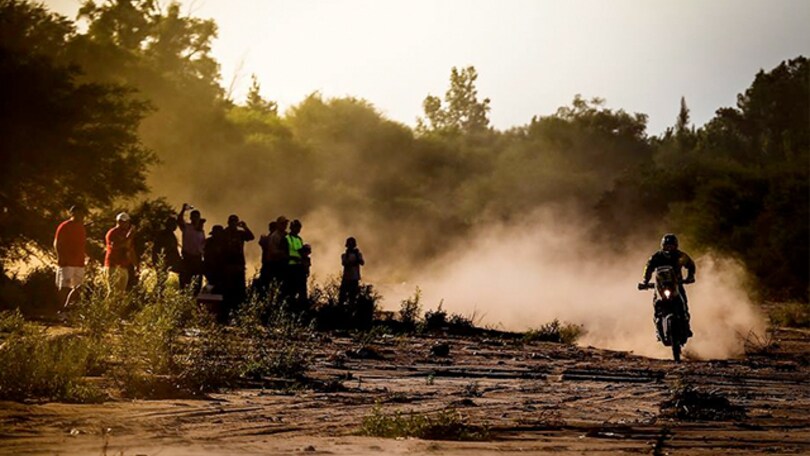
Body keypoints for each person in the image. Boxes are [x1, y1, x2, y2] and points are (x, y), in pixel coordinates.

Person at [641, 233, 696, 337]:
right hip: (660, 286)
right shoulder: (656, 257)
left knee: (684, 306)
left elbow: (691, 265)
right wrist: (645, 282)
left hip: (676, 285)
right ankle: (658, 329)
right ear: (663, 246)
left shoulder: (681, 256)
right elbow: (648, 268)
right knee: (657, 306)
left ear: (676, 246)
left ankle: (686, 327)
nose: (669, 248)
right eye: (667, 245)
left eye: (672, 245)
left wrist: (690, 277)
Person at [220, 214, 254, 320]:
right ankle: (225, 314)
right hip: (228, 265)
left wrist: (245, 227)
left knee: (239, 291)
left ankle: (238, 314)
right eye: (232, 222)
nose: (233, 224)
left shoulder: (240, 233)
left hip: (239, 265)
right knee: (228, 290)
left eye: (235, 222)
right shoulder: (224, 233)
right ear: (229, 222)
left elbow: (251, 237)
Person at [54, 204, 87, 307]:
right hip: (67, 262)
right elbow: (57, 243)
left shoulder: (81, 227)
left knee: (78, 287)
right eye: (77, 213)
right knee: (65, 286)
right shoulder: (64, 226)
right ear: (72, 213)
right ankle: (61, 309)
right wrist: (60, 257)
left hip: (79, 262)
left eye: (81, 213)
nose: (80, 215)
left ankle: (70, 309)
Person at [105, 212, 136, 295]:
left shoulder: (126, 233)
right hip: (113, 265)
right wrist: (128, 237)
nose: (126, 224)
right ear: (118, 222)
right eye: (124, 222)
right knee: (112, 292)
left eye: (127, 222)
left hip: (124, 266)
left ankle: (118, 308)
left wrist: (136, 264)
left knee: (121, 293)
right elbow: (115, 245)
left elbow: (130, 250)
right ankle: (107, 308)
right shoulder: (112, 233)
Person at [177, 203, 205, 293]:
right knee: (184, 283)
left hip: (197, 259)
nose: (195, 219)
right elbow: (179, 220)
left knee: (197, 284)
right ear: (191, 218)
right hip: (187, 258)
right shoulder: (187, 227)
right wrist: (183, 210)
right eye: (194, 217)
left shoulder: (201, 231)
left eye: (197, 217)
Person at [284, 219, 309, 313]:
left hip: (300, 268)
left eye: (299, 227)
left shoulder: (299, 239)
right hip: (290, 268)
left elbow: (302, 252)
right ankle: (289, 311)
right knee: (291, 292)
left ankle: (302, 312)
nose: (298, 229)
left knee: (302, 292)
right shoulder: (287, 238)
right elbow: (284, 253)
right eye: (296, 227)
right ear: (291, 227)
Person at [339, 237, 365, 306]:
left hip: (354, 278)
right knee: (342, 298)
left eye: (351, 244)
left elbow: (362, 262)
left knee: (352, 298)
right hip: (347, 278)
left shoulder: (358, 254)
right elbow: (344, 263)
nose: (350, 246)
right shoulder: (344, 255)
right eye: (349, 244)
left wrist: (357, 258)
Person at [266, 216, 290, 287]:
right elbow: (272, 251)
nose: (285, 225)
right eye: (283, 223)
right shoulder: (274, 236)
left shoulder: (286, 235)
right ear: (278, 224)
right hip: (276, 265)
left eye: (286, 223)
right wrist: (282, 253)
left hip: (285, 265)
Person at [257, 220, 278, 293]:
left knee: (266, 285)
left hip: (269, 264)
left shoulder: (268, 238)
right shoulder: (273, 238)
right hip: (270, 264)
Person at [203, 225, 225, 294]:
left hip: (221, 269)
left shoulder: (225, 242)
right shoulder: (208, 242)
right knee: (211, 284)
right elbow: (205, 254)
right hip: (210, 268)